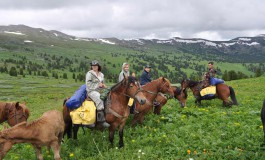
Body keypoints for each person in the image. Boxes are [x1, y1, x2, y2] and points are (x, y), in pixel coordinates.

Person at [85, 60, 110, 128]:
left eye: (95, 66)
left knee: (110, 96)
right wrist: (98, 85)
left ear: (98, 66)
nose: (94, 67)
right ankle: (101, 121)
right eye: (93, 66)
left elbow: (102, 83)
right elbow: (88, 84)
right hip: (91, 91)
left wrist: (104, 86)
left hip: (100, 90)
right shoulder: (89, 73)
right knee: (100, 98)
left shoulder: (101, 74)